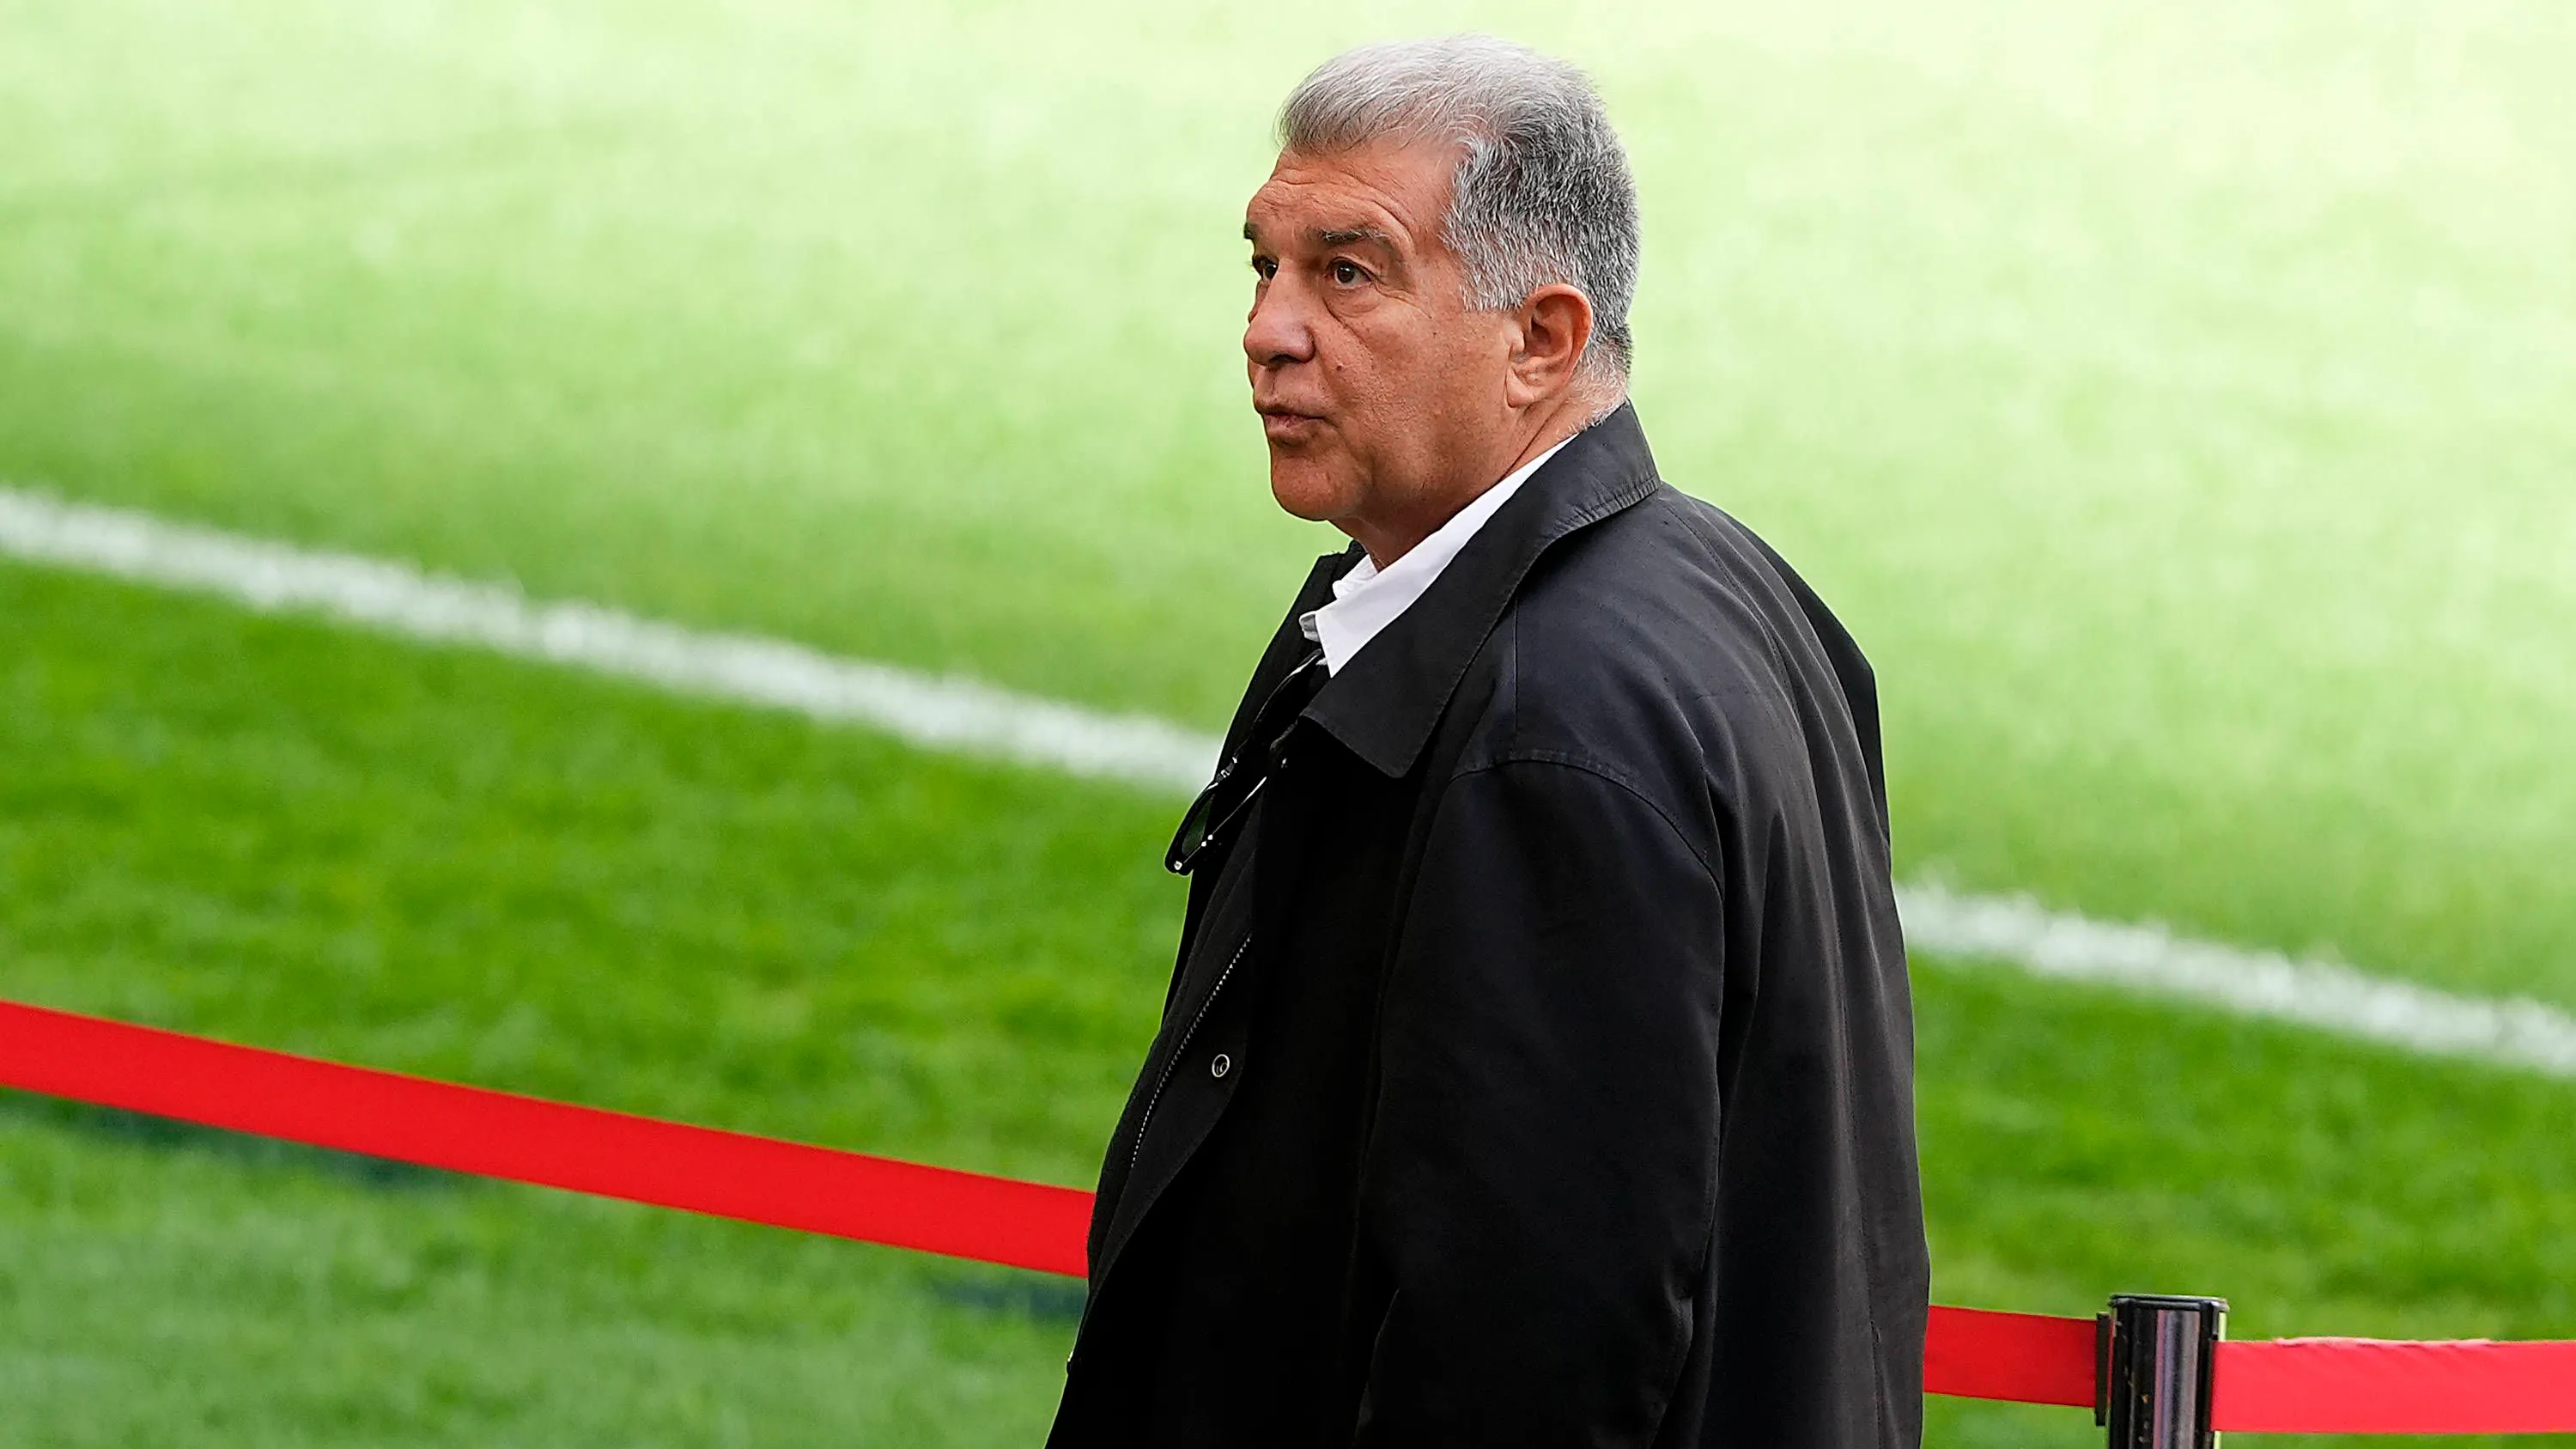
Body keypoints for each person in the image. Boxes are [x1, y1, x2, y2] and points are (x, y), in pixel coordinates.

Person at [1049, 34, 1927, 1448]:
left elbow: (1531, 1345)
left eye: (1349, 273)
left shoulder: (1547, 727)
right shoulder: (1735, 589)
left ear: (1543, 340)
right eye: (1265, 266)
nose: (1269, 329)